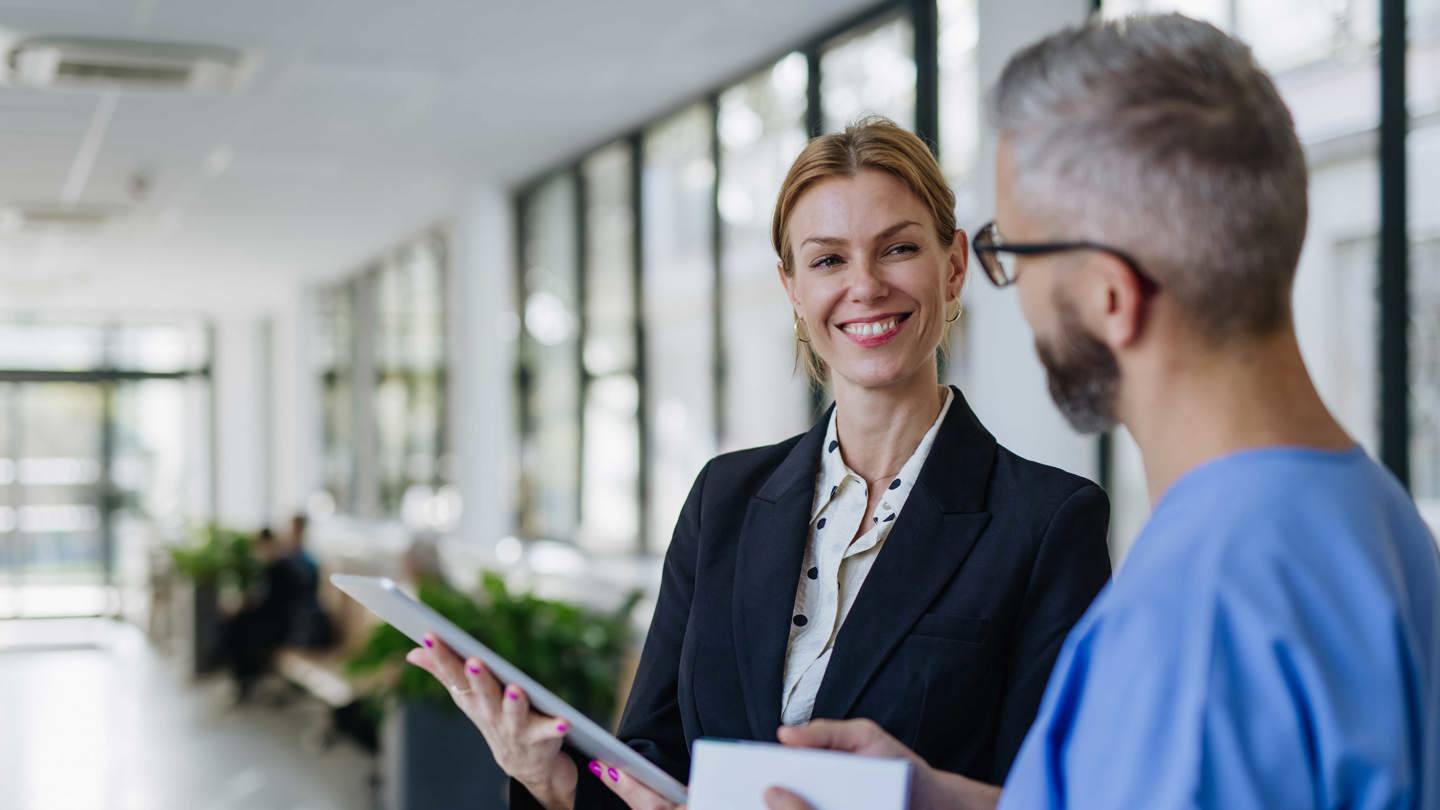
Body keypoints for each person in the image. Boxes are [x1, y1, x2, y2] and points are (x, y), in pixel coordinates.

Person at [762, 14, 1440, 810]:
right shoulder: (1369, 514)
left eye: (1011, 252)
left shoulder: (1193, 618)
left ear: (1113, 297)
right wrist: (930, 799)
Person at [407, 118, 1114, 809]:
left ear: (953, 264)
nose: (865, 286)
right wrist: (555, 782)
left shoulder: (1047, 522)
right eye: (829, 259)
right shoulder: (725, 498)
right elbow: (654, 756)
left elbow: (1058, 796)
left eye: (897, 249)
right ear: (793, 289)